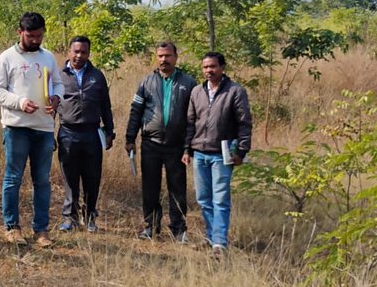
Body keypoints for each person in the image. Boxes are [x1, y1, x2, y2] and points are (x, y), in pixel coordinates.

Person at [0, 12, 63, 247]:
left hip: (43, 128)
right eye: (31, 36)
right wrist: (20, 102)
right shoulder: (6, 58)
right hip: (17, 127)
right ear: (19, 32)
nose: (35, 40)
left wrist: (56, 98)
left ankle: (41, 230)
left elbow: (58, 83)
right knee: (13, 178)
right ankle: (12, 227)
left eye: (39, 36)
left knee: (42, 181)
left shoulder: (48, 57)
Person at [124, 41, 197, 242]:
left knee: (177, 188)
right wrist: (130, 138)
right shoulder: (146, 82)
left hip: (176, 146)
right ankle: (151, 226)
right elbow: (135, 111)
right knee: (150, 187)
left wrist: (188, 146)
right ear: (156, 57)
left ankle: (179, 229)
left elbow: (193, 118)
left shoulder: (188, 84)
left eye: (168, 55)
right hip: (150, 144)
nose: (164, 59)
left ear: (176, 56)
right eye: (160, 56)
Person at [183, 51, 253, 253]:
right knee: (203, 198)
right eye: (205, 67)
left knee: (220, 198)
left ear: (222, 68)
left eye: (213, 66)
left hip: (222, 155)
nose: (209, 71)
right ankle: (212, 237)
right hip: (200, 153)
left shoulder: (235, 91)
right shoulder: (197, 91)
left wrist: (241, 150)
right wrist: (187, 148)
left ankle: (219, 243)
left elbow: (244, 123)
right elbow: (190, 123)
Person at [55, 35, 114, 233]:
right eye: (76, 51)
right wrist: (48, 133)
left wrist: (110, 131)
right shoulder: (58, 75)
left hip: (92, 133)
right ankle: (69, 219)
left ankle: (90, 218)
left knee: (92, 178)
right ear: (69, 52)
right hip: (68, 133)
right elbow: (51, 105)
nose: (79, 55)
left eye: (84, 52)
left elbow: (105, 105)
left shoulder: (97, 75)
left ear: (89, 54)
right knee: (70, 179)